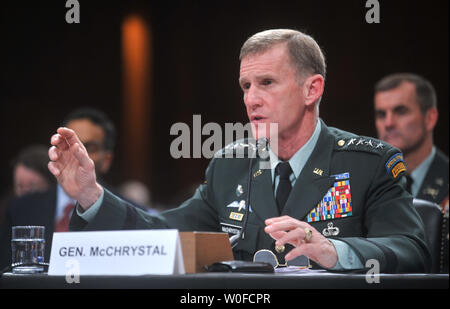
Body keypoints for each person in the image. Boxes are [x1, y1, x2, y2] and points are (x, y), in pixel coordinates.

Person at [48, 29, 430, 273]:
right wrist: (90, 195)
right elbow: (164, 234)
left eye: (266, 82)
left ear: (312, 89)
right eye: (246, 85)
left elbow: (413, 250)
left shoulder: (371, 162)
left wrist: (334, 250)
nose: (251, 99)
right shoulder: (230, 166)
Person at [0, 107, 121, 270]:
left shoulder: (129, 215)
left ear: (106, 160)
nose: (79, 154)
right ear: (56, 150)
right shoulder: (21, 209)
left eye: (89, 148)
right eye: (70, 145)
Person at [374, 73, 448, 273]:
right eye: (381, 114)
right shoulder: (368, 182)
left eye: (401, 111)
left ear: (430, 118)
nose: (388, 123)